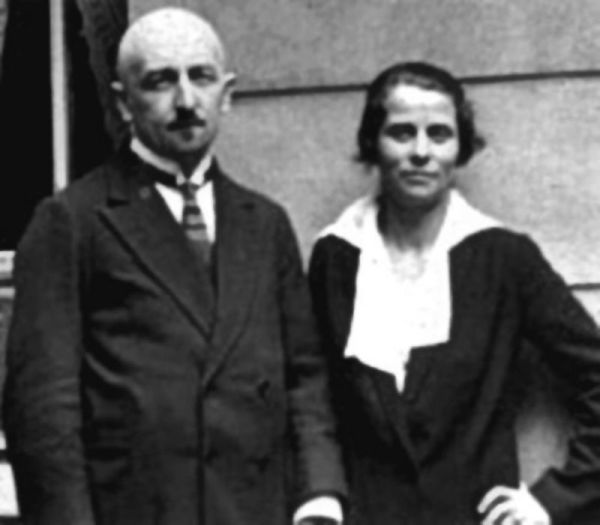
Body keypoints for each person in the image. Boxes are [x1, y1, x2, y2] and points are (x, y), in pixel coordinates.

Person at [3, 7, 346, 525]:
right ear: (124, 102)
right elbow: (44, 410)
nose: (186, 101)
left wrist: (319, 495)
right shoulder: (72, 222)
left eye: (201, 77)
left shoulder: (265, 223)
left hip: (252, 510)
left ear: (226, 94)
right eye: (161, 81)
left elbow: (305, 378)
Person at [308, 61, 600, 525]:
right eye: (402, 133)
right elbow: (310, 395)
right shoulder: (336, 257)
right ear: (373, 143)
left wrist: (553, 500)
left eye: (439, 134)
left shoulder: (504, 258)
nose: (421, 152)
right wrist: (321, 496)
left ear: (460, 148)